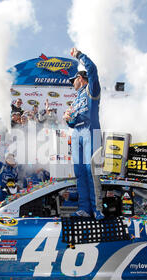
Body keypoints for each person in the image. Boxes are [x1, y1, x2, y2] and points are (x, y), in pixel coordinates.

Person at [63, 48, 104, 220]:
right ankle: (84, 209)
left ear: (80, 78)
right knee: (80, 173)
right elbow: (72, 122)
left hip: (90, 132)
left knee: (91, 171)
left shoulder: (91, 90)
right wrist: (67, 118)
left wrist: (79, 56)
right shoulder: (74, 100)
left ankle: (97, 209)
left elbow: (92, 70)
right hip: (77, 134)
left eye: (74, 80)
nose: (72, 83)